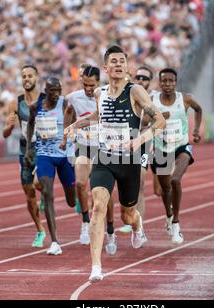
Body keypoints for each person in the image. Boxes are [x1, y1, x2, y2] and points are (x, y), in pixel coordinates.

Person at [64, 45, 166, 282]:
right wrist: (74, 126)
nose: (119, 64)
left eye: (122, 61)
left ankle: (138, 225)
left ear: (126, 66)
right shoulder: (100, 93)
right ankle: (96, 267)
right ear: (106, 67)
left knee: (127, 215)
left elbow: (159, 121)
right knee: (98, 206)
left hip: (130, 160)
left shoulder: (136, 91)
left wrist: (139, 139)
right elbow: (97, 117)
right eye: (114, 61)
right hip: (105, 157)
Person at [63, 66, 117, 254]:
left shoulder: (107, 95)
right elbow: (69, 111)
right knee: (79, 183)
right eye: (85, 84)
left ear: (98, 82)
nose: (87, 88)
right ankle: (85, 222)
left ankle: (110, 231)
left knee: (104, 195)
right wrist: (66, 135)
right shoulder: (73, 97)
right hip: (83, 146)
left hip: (102, 148)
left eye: (91, 85)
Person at [151, 68, 203, 244]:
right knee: (165, 189)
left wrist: (195, 129)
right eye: (164, 81)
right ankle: (168, 215)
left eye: (170, 81)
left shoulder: (185, 99)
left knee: (175, 180)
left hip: (181, 147)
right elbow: (143, 120)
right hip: (161, 149)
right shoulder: (153, 101)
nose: (167, 84)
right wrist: (157, 118)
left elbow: (198, 109)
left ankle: (176, 223)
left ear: (176, 82)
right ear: (159, 83)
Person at [26, 77, 77, 255]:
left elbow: (75, 122)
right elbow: (31, 124)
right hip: (44, 155)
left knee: (71, 200)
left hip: (65, 155)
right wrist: (29, 148)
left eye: (58, 90)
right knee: (47, 193)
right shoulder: (36, 106)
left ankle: (75, 198)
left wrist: (70, 140)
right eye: (52, 90)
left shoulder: (65, 103)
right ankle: (54, 241)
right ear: (45, 91)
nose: (56, 94)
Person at [2, 65, 46, 248]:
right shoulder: (15, 103)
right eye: (23, 76)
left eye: (30, 76)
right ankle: (40, 231)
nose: (26, 79)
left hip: (44, 148)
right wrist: (9, 127)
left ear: (37, 77)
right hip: (25, 151)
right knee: (29, 193)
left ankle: (46, 194)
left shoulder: (48, 100)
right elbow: (4, 134)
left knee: (39, 183)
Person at [118, 65, 161, 234]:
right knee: (125, 183)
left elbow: (163, 119)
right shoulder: (128, 94)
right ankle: (130, 216)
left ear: (151, 81)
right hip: (126, 143)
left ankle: (139, 224)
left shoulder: (155, 99)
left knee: (142, 182)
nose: (142, 81)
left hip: (146, 144)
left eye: (145, 78)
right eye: (139, 78)